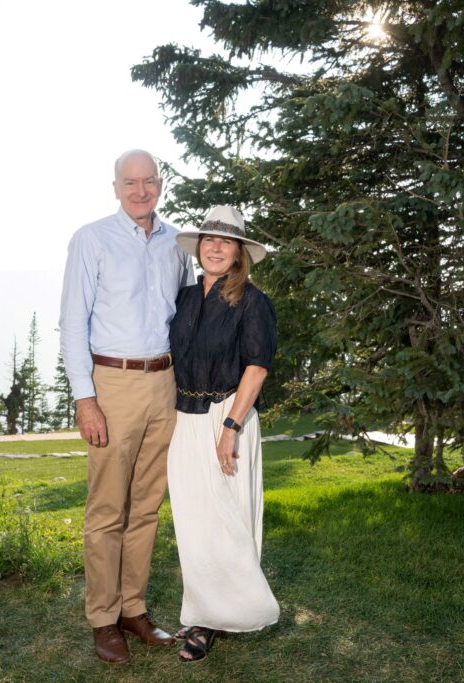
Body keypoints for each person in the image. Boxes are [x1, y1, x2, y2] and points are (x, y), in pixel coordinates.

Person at [59, 149, 193, 664]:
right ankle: (102, 619)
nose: (141, 190)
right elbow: (73, 323)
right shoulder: (91, 239)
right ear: (115, 187)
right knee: (107, 510)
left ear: (160, 185)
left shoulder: (175, 243)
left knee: (146, 507)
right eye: (130, 182)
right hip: (111, 383)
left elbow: (185, 316)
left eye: (149, 181)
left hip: (166, 383)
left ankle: (133, 609)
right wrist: (84, 398)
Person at [167, 205, 280, 663]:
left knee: (226, 519)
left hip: (225, 415)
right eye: (209, 239)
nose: (215, 247)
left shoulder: (253, 301)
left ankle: (223, 615)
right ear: (199, 248)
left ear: (238, 253)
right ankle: (203, 611)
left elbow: (257, 367)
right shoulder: (184, 298)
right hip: (184, 417)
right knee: (194, 522)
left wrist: (230, 428)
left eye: (226, 241)